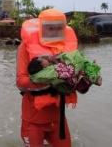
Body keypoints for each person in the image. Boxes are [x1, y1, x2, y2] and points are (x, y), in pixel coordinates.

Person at [17, 9, 79, 147]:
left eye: (59, 28)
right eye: (50, 28)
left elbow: (76, 79)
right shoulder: (25, 47)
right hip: (33, 119)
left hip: (58, 118)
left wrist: (86, 78)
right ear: (41, 28)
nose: (55, 32)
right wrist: (52, 78)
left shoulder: (66, 50)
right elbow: (21, 83)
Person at [28, 51, 102, 95]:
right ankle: (96, 76)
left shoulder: (51, 62)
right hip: (76, 79)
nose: (44, 58)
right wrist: (66, 62)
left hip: (73, 78)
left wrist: (62, 59)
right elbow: (68, 72)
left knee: (81, 63)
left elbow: (59, 58)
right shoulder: (50, 72)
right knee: (83, 67)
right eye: (42, 60)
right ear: (42, 66)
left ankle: (95, 72)